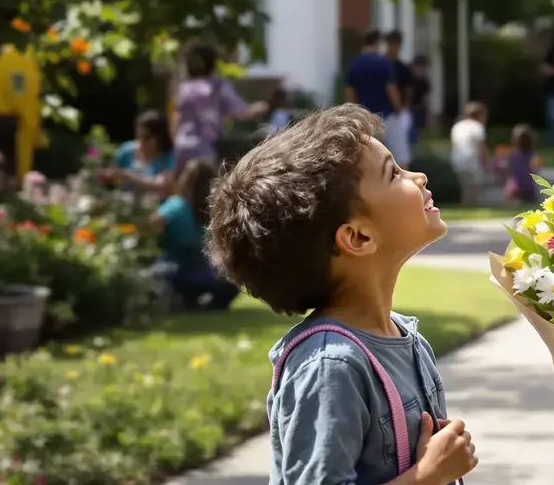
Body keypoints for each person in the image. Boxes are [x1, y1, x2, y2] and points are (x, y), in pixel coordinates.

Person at [206, 104, 477, 485]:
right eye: (394, 174)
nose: (418, 176)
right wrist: (426, 477)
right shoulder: (330, 367)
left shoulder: (405, 339)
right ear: (358, 237)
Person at [150, 159, 238, 310]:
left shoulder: (174, 207)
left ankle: (183, 300)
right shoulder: (215, 213)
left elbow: (149, 227)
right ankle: (206, 304)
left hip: (173, 272)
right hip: (207, 275)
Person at [173, 43, 263, 172]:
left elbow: (177, 119)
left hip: (182, 146)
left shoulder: (184, 88)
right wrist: (260, 108)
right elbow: (241, 111)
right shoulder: (218, 86)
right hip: (206, 148)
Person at [99, 110, 175, 195]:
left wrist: (127, 176)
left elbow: (162, 185)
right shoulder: (127, 151)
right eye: (138, 136)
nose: (141, 141)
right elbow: (113, 175)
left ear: (160, 137)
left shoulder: (169, 157)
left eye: (147, 137)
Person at [384, 30, 415, 165]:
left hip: (398, 111)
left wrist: (403, 107)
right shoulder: (384, 65)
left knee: (400, 147)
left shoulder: (402, 68)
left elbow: (408, 89)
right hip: (388, 110)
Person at [451, 101, 489, 207]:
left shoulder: (457, 127)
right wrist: (487, 161)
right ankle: (474, 205)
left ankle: (465, 204)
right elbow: (482, 148)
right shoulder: (478, 127)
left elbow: (454, 146)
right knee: (475, 186)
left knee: (464, 187)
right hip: (472, 160)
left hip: (457, 160)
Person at [505, 123, 543, 204]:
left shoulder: (511, 155)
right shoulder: (532, 155)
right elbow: (536, 170)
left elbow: (508, 171)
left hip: (516, 188)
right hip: (529, 188)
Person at [409, 54, 432, 146]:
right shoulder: (411, 79)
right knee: (411, 126)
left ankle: (416, 141)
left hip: (420, 107)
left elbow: (426, 96)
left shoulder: (425, 80)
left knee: (419, 126)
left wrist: (428, 108)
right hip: (411, 107)